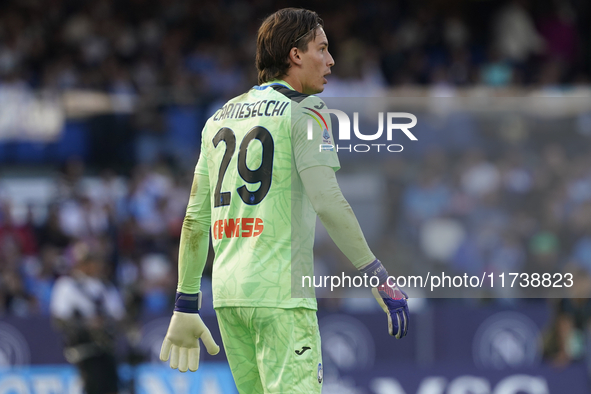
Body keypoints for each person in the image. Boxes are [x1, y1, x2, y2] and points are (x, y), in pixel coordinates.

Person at [159, 8, 409, 393]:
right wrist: (376, 275)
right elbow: (328, 201)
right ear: (295, 55)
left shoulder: (219, 118)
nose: (330, 60)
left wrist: (186, 301)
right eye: (322, 49)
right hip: (281, 296)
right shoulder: (307, 110)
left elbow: (195, 219)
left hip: (229, 298)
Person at [50, 243, 125, 394]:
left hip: (105, 348)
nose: (98, 265)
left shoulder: (105, 286)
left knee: (112, 386)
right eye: (92, 261)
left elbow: (119, 316)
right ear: (80, 264)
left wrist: (108, 324)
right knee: (93, 384)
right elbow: (59, 320)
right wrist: (87, 325)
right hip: (81, 348)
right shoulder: (67, 285)